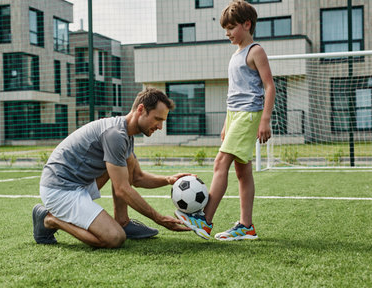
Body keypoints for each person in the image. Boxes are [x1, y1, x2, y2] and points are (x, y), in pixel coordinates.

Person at [33, 88, 191, 248]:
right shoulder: (115, 135)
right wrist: (159, 218)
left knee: (128, 162)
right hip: (60, 189)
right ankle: (50, 220)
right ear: (141, 110)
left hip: (79, 184)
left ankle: (123, 221)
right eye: (157, 119)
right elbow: (122, 188)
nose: (160, 127)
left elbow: (137, 177)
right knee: (114, 238)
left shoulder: (126, 134)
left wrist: (168, 180)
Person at [175, 0, 275, 241]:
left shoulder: (255, 51)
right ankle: (246, 226)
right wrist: (226, 123)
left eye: (231, 27)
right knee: (243, 171)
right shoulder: (236, 54)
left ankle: (204, 220)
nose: (227, 33)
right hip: (235, 115)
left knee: (221, 162)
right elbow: (234, 92)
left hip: (249, 114)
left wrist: (265, 119)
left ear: (247, 24)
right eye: (225, 29)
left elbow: (269, 85)